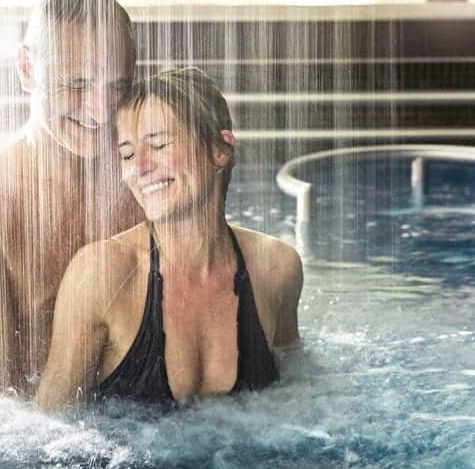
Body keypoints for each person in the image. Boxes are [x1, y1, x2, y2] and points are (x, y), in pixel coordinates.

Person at [35, 67, 303, 409]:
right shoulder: (102, 274)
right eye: (128, 153)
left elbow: (297, 396)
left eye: (159, 144)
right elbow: (49, 429)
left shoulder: (276, 268)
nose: (140, 167)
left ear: (219, 150)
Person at [0, 0, 143, 396]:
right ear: (27, 69)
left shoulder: (150, 182)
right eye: (77, 84)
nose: (100, 110)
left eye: (117, 86)